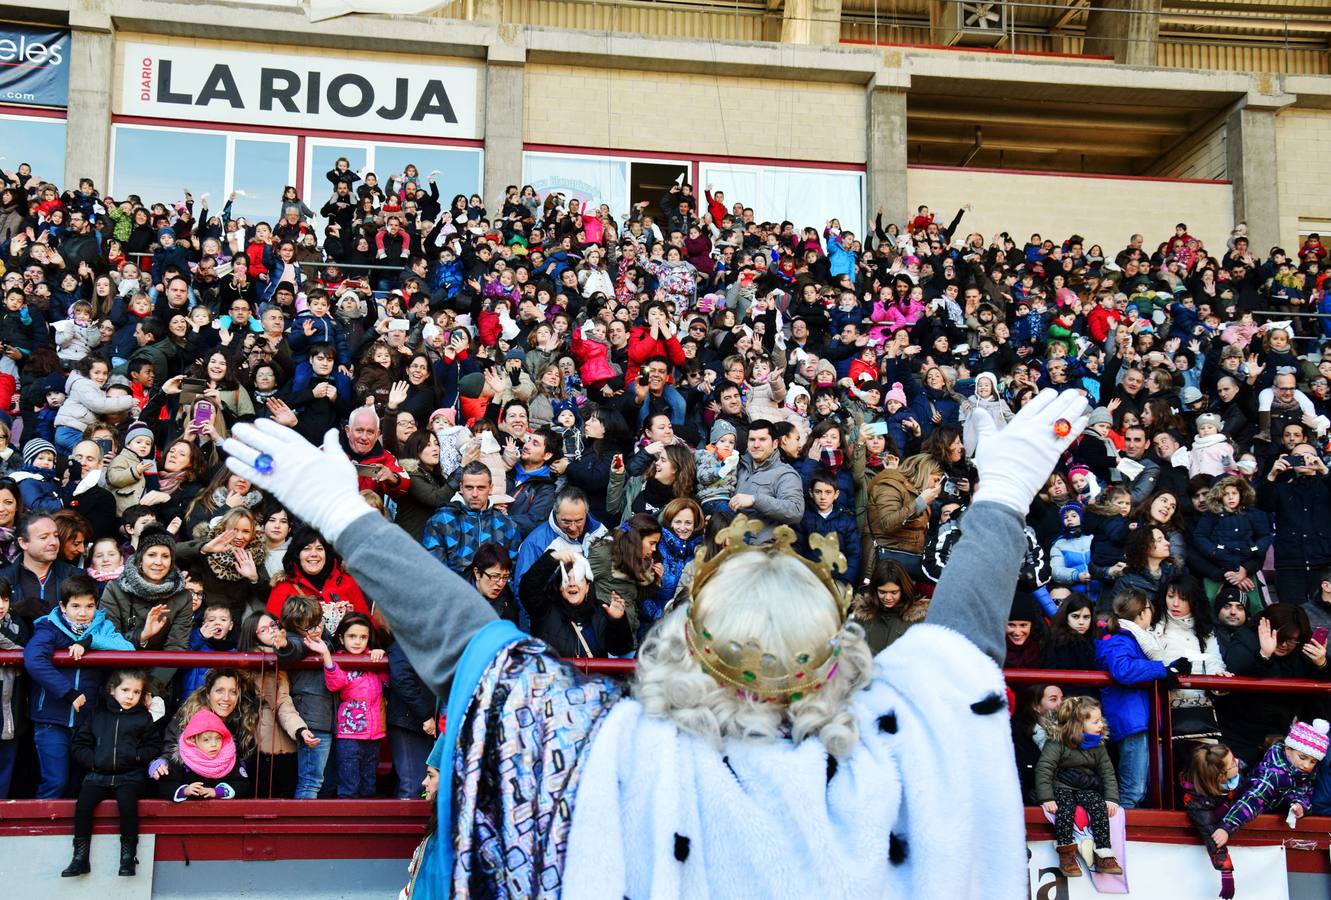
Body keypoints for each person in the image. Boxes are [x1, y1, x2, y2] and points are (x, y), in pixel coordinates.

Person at [222, 387, 1091, 897]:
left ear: (688, 648)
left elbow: (463, 638)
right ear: (840, 659)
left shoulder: (606, 755)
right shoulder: (910, 753)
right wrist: (1004, 489)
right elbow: (962, 639)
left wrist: (340, 510)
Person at [23, 574, 134, 798]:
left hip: (86, 722)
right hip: (51, 720)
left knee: (80, 783)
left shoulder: (101, 626)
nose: (82, 613)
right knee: (56, 781)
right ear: (63, 606)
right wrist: (68, 692)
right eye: (75, 606)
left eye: (89, 606)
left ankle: (75, 833)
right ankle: (44, 830)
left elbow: (127, 648)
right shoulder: (49, 627)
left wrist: (90, 641)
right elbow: (34, 659)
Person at [1096, 588, 1190, 809]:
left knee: (1152, 787)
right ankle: (1119, 837)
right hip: (1131, 720)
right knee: (1133, 790)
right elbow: (1123, 669)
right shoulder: (1118, 638)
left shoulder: (1134, 638)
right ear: (1140, 613)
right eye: (1149, 608)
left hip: (1142, 719)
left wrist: (1169, 669)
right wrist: (1162, 669)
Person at [64, 669, 159, 878]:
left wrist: (135, 757)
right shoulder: (98, 714)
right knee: (83, 806)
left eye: (136, 692)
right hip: (98, 774)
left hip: (130, 775)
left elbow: (153, 747)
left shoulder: (143, 717)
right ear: (112, 690)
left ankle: (128, 858)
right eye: (125, 690)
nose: (130, 696)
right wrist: (94, 761)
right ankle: (80, 858)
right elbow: (79, 744)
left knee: (127, 805)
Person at [235, 610, 320, 798]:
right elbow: (280, 703)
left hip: (282, 743)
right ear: (252, 636)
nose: (272, 631)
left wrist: (300, 730)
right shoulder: (253, 663)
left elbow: (284, 704)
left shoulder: (282, 656)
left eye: (273, 625)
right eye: (263, 630)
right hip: (258, 745)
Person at [1035, 696, 1122, 878]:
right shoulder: (1057, 742)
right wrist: (1047, 797)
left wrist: (1111, 799)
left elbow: (1107, 772)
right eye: (1096, 721)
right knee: (1066, 810)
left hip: (1085, 787)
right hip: (1061, 786)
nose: (1101, 725)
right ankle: (1066, 855)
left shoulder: (1098, 745)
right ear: (1078, 724)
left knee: (1098, 806)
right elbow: (1044, 769)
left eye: (1101, 720)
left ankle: (1104, 854)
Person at [308, 613, 388, 798]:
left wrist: (380, 654)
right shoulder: (341, 661)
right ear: (342, 638)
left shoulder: (372, 659)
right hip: (349, 734)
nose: (358, 642)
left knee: (369, 783)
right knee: (349, 784)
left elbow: (387, 681)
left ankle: (367, 825)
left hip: (374, 735)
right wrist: (327, 656)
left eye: (363, 637)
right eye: (352, 636)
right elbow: (334, 683)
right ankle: (348, 824)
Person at [1215, 719, 1329, 846]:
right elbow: (1253, 799)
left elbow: (1305, 792)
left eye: (1313, 761)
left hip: (1277, 821)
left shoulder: (1304, 773)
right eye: (1302, 758)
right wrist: (1226, 827)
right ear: (1287, 748)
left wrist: (1301, 805)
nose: (1307, 765)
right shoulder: (1273, 773)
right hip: (1254, 821)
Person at [265, 526, 369, 635]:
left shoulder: (347, 581)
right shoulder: (283, 586)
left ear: (327, 554)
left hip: (343, 650)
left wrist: (350, 618)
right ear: (297, 554)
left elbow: (368, 626)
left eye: (319, 548)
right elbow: (272, 631)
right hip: (300, 650)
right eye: (307, 549)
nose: (314, 554)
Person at [421, 462, 520, 575]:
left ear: (490, 488)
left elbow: (511, 573)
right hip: (453, 590)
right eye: (469, 487)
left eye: (481, 488)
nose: (474, 494)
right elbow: (433, 569)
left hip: (496, 591)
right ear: (461, 487)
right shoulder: (441, 521)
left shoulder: (507, 525)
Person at [1180, 743, 1244, 900]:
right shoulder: (1196, 801)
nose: (1238, 762)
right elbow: (1211, 834)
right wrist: (1226, 872)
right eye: (1232, 763)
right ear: (1220, 776)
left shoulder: (1237, 770)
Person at [153, 707, 251, 801]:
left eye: (218, 738)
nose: (214, 744)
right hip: (189, 814)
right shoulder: (181, 760)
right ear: (193, 740)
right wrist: (185, 791)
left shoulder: (229, 760)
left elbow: (242, 784)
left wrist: (217, 792)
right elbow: (164, 786)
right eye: (206, 740)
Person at [851, 557, 927, 654]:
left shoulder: (919, 619)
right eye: (882, 592)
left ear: (904, 589)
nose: (887, 597)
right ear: (874, 590)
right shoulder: (861, 614)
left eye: (894, 592)